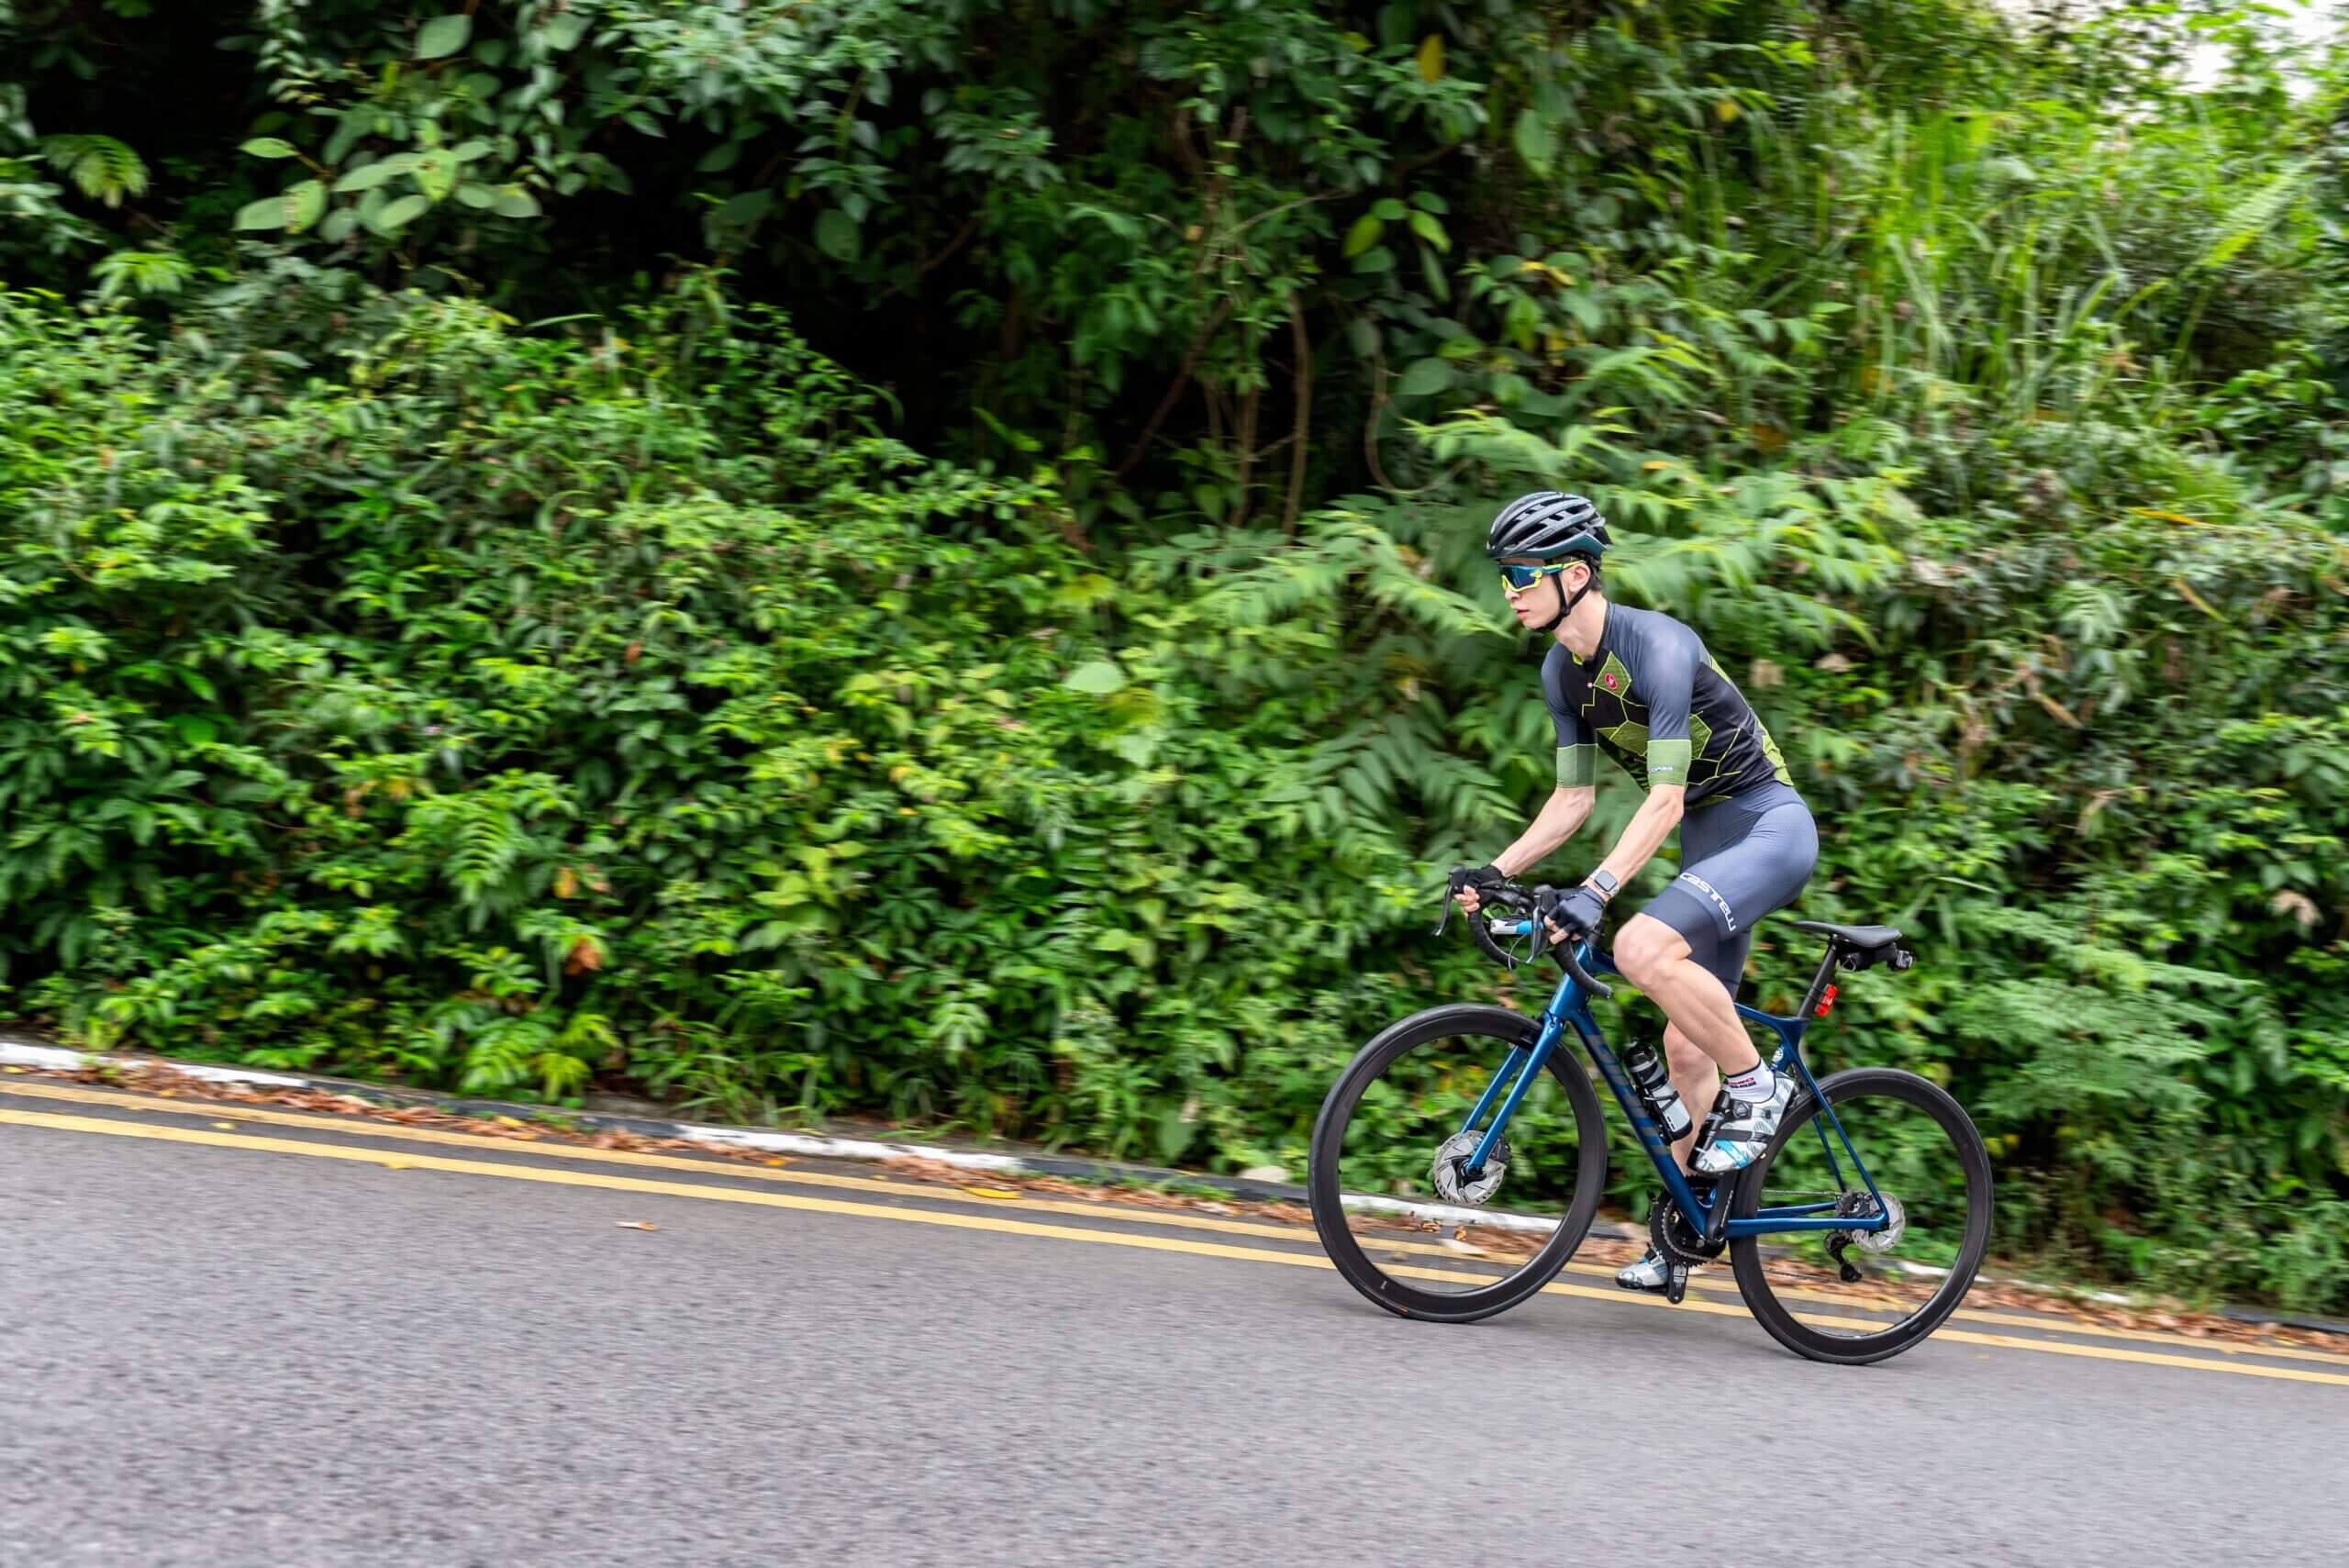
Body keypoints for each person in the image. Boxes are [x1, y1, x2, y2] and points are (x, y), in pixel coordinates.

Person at [1452, 490, 1820, 1293]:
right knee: (1686, 1045)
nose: (1508, 589)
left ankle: (1762, 1085)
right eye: (1504, 575)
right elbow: (1574, 801)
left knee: (1636, 944)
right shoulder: (1562, 670)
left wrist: (1595, 889)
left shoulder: (1657, 646)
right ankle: (1685, 1233)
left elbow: (1664, 797)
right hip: (1710, 839)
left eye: (1521, 573)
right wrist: (1497, 872)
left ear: (1575, 573)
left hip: (1767, 827)